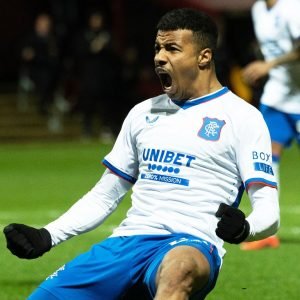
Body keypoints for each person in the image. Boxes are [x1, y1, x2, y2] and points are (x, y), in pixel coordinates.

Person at [3, 8, 279, 299]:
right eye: (158, 48)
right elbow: (106, 194)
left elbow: (269, 211)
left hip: (192, 243)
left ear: (204, 57)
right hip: (126, 242)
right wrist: (48, 236)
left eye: (172, 48)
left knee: (179, 270)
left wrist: (244, 230)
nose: (160, 56)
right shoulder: (143, 113)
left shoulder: (243, 118)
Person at [241, 0, 300, 251]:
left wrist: (269, 65)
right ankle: (267, 231)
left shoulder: (292, 7)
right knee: (266, 157)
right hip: (277, 96)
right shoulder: (258, 10)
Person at [18, 13, 60, 115]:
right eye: (41, 24)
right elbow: (23, 54)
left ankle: (47, 103)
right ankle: (44, 104)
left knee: (52, 76)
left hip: (49, 70)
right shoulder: (30, 37)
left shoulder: (52, 39)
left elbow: (53, 59)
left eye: (46, 25)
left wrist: (36, 56)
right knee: (44, 78)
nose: (43, 27)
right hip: (33, 71)